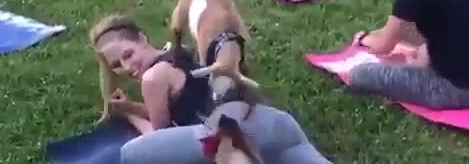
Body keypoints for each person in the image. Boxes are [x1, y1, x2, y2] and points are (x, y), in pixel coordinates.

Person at [89, 14, 215, 134]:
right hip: (222, 121)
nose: (126, 67)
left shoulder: (152, 78)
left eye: (128, 55)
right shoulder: (178, 51)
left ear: (142, 39)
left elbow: (158, 140)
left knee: (130, 152)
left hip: (212, 144)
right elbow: (174, 108)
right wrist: (129, 107)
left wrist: (131, 117)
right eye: (116, 65)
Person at [120, 101, 333, 164]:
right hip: (262, 127)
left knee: (130, 155)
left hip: (257, 128)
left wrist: (130, 112)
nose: (127, 67)